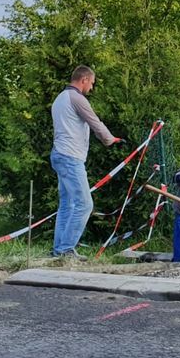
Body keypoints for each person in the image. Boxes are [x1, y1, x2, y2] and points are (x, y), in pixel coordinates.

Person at [50, 65, 120, 259]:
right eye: (91, 83)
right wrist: (109, 139)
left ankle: (59, 250)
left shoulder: (60, 98)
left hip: (59, 155)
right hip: (70, 158)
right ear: (84, 80)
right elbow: (94, 121)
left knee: (68, 205)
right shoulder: (77, 98)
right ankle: (65, 250)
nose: (91, 87)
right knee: (85, 204)